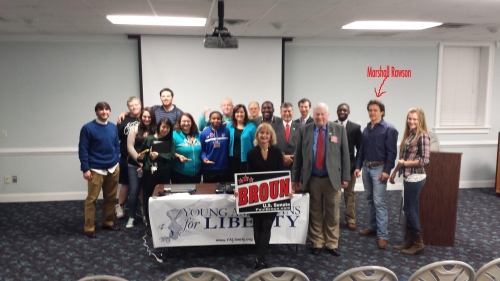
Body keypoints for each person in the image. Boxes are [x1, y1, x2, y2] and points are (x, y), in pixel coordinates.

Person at [292, 103, 350, 256]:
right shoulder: (304, 130)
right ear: (313, 114)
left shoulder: (339, 129)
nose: (319, 117)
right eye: (317, 114)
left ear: (328, 115)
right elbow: (298, 156)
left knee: (333, 213)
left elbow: (345, 155)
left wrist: (345, 176)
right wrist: (295, 178)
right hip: (312, 179)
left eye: (322, 114)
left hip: (332, 179)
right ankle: (317, 242)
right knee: (315, 211)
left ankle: (331, 243)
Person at [354, 99, 398, 249]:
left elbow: (392, 153)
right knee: (370, 199)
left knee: (379, 202)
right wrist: (358, 167)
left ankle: (383, 235)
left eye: (375, 110)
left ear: (382, 112)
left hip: (380, 169)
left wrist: (387, 171)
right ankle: (373, 228)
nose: (372, 113)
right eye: (370, 110)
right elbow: (361, 150)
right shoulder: (367, 129)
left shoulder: (389, 129)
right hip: (366, 168)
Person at [245, 123, 288, 269]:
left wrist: (286, 190)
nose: (264, 136)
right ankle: (259, 255)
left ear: (271, 136)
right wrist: (240, 189)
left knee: (266, 224)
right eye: (261, 133)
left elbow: (281, 173)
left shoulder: (277, 152)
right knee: (257, 225)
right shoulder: (251, 153)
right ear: (257, 135)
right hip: (255, 196)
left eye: (267, 133)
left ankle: (261, 258)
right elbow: (248, 176)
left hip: (272, 196)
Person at [390, 108, 430, 255]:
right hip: (408, 176)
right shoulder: (410, 135)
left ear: (420, 121)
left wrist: (405, 164)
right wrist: (394, 172)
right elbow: (403, 159)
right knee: (411, 210)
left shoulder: (423, 136)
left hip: (416, 177)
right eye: (409, 118)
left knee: (408, 209)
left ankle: (419, 243)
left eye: (414, 119)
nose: (411, 121)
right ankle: (409, 241)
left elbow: (425, 160)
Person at [78, 102, 121, 238]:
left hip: (113, 167)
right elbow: (83, 149)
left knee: (111, 197)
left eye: (106, 109)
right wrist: (86, 169)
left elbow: (116, 145)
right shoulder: (87, 128)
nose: (104, 112)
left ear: (110, 111)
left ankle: (108, 222)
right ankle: (89, 227)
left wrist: (116, 160)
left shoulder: (113, 127)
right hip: (95, 169)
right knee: (92, 199)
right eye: (101, 110)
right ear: (96, 112)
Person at [137, 118, 175, 234]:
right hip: (149, 173)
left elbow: (171, 157)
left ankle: (163, 223)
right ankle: (149, 225)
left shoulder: (170, 140)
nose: (165, 130)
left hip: (164, 173)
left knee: (163, 198)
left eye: (168, 128)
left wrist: (159, 155)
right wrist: (142, 161)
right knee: (149, 198)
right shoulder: (149, 138)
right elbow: (141, 153)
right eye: (163, 127)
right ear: (159, 126)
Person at [125, 107, 156, 228]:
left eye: (149, 117)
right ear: (141, 117)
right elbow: (130, 147)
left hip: (150, 166)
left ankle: (146, 216)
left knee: (148, 191)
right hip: (134, 164)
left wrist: (146, 164)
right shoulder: (134, 129)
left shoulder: (156, 130)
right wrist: (140, 162)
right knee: (134, 191)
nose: (147, 119)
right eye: (144, 116)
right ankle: (131, 217)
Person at [334, 103, 362, 230]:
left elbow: (360, 148)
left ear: (349, 112)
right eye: (340, 110)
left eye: (344, 110)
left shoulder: (355, 128)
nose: (342, 112)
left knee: (349, 194)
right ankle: (334, 219)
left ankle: (350, 218)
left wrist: (357, 165)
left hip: (349, 167)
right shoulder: (331, 126)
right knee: (334, 194)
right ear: (336, 111)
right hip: (333, 168)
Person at [115, 96, 141, 219]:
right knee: (125, 183)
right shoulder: (123, 119)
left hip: (142, 157)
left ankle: (142, 206)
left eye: (136, 104)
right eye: (131, 105)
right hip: (125, 156)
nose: (134, 107)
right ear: (128, 107)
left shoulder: (146, 117)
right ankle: (119, 206)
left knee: (142, 183)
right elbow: (116, 139)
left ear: (140, 104)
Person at [117, 88, 183, 125]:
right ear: (160, 98)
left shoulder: (179, 113)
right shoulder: (155, 109)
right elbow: (140, 113)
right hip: (155, 141)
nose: (165, 98)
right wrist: (125, 113)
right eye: (163, 96)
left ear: (172, 98)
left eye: (168, 96)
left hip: (171, 142)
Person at [226, 104, 257, 181]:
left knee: (245, 183)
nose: (239, 114)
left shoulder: (252, 127)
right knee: (232, 182)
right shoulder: (229, 126)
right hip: (232, 160)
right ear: (234, 114)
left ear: (245, 113)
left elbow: (255, 144)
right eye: (237, 112)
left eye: (241, 112)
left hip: (246, 160)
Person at [172, 113, 202, 183]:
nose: (186, 123)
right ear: (179, 122)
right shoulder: (174, 135)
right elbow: (168, 151)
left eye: (188, 121)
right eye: (184, 121)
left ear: (192, 122)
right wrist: (178, 156)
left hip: (196, 174)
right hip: (179, 174)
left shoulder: (198, 134)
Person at [200, 111, 230, 183]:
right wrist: (204, 158)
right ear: (210, 120)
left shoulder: (227, 132)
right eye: (213, 118)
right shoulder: (204, 133)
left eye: (218, 118)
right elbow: (202, 149)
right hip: (209, 168)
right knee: (210, 192)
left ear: (221, 120)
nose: (216, 120)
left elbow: (229, 147)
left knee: (223, 192)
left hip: (223, 168)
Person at [271, 102, 302, 171]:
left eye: (289, 111)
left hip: (296, 166)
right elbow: (271, 144)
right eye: (284, 111)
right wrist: (282, 156)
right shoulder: (273, 127)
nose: (287, 114)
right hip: (279, 165)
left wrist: (292, 157)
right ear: (280, 113)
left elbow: (303, 145)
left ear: (293, 112)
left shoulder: (301, 128)